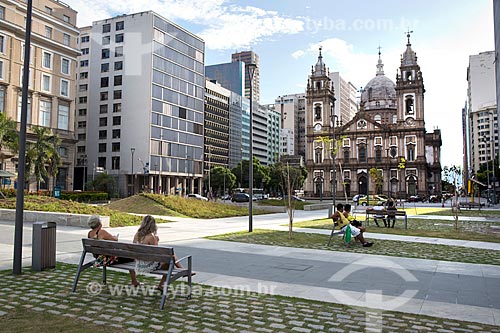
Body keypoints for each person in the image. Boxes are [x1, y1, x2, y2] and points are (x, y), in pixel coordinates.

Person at [133, 215, 191, 290]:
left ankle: (180, 270)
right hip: (147, 266)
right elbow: (157, 253)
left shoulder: (137, 235)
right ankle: (180, 271)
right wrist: (156, 241)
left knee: (170, 257)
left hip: (138, 264)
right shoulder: (151, 237)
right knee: (171, 261)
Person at [87, 215, 140, 286]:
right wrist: (115, 237)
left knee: (126, 254)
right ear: (99, 224)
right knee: (130, 255)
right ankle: (134, 281)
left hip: (99, 258)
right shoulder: (102, 232)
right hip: (108, 259)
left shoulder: (90, 233)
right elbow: (115, 240)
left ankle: (134, 281)